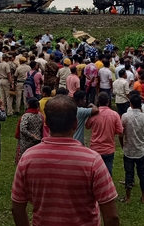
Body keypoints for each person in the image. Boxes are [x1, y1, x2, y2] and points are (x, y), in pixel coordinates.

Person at [11, 95, 119, 226]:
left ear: (46, 123)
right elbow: (111, 217)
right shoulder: (92, 161)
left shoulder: (28, 158)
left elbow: (17, 209)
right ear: (75, 123)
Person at [121, 95, 144, 204]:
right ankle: (143, 197)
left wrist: (122, 145)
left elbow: (121, 133)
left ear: (131, 104)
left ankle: (128, 198)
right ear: (141, 104)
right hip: (141, 149)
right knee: (142, 174)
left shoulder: (125, 117)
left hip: (128, 149)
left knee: (129, 174)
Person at [86, 92, 123, 175]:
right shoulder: (115, 114)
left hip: (95, 148)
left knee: (94, 172)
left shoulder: (94, 114)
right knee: (108, 172)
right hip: (108, 148)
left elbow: (87, 126)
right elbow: (120, 131)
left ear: (98, 101)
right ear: (108, 101)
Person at [15, 98, 43, 164]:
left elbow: (23, 129)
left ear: (28, 105)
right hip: (37, 141)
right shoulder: (40, 115)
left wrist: (31, 135)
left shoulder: (26, 116)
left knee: (23, 160)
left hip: (25, 142)